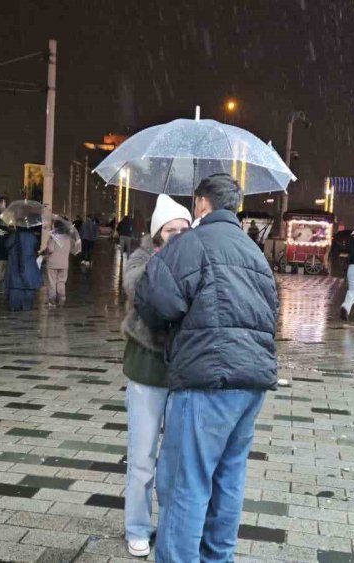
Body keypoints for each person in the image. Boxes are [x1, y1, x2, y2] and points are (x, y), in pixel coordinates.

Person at [135, 174, 279, 562]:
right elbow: (271, 309)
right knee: (228, 478)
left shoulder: (192, 243)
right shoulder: (253, 252)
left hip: (206, 380)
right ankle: (218, 557)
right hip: (251, 382)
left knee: (186, 482)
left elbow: (158, 304)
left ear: (201, 203)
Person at [121, 195, 191, 558]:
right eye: (170, 230)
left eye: (184, 229)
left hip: (183, 372)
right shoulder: (142, 259)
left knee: (176, 461)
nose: (177, 235)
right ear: (157, 233)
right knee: (142, 457)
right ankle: (137, 527)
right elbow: (139, 289)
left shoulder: (197, 259)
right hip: (146, 370)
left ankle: (170, 527)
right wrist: (168, 263)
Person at [3, 226, 42, 311]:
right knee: (28, 288)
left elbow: (6, 246)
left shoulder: (13, 236)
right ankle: (26, 307)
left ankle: (15, 306)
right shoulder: (32, 237)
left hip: (15, 265)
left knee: (15, 287)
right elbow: (36, 247)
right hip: (29, 266)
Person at [44, 220, 81, 307]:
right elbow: (72, 249)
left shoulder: (54, 237)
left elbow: (50, 249)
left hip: (52, 264)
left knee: (52, 282)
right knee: (61, 282)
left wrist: (46, 250)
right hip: (64, 264)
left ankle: (52, 301)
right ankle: (61, 299)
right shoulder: (68, 238)